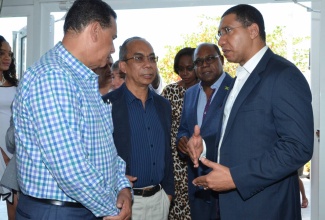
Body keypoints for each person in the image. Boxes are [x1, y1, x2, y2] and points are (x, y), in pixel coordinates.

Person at [187, 4, 314, 220]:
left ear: (253, 30)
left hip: (267, 207)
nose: (221, 40)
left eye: (228, 30)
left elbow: (297, 147)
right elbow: (240, 133)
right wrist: (205, 145)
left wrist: (237, 177)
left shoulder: (283, 74)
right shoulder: (240, 77)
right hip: (235, 207)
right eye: (220, 33)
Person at [12, 0, 132, 219]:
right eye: (112, 38)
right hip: (58, 212)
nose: (114, 48)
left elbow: (106, 148)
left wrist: (123, 188)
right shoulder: (53, 77)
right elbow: (71, 171)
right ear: (95, 30)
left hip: (82, 207)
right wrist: (110, 208)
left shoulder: (81, 78)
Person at [102, 36, 174, 220]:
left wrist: (168, 195)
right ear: (123, 66)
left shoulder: (163, 105)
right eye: (139, 58)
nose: (148, 64)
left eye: (152, 58)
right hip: (123, 202)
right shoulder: (107, 104)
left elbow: (167, 152)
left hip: (160, 201)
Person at [176, 43, 233, 220]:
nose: (204, 64)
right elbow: (184, 128)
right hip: (197, 182)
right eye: (199, 61)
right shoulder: (191, 93)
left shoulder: (236, 88)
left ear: (221, 60)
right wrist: (183, 141)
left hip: (227, 180)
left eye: (210, 59)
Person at [161, 47, 198, 220]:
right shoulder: (170, 91)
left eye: (189, 68)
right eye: (180, 69)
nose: (184, 73)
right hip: (175, 158)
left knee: (197, 201)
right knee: (176, 203)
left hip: (199, 156)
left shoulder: (205, 91)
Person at [0, 35, 19, 220]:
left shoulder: (16, 85)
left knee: (15, 203)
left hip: (16, 149)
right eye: (2, 53)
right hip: (1, 151)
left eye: (10, 54)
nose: (7, 58)